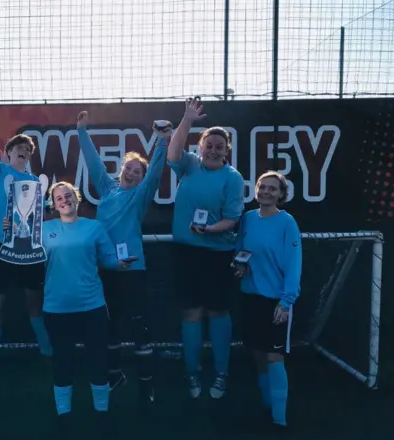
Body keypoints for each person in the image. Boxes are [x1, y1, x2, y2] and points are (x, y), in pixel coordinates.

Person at [76, 110, 170, 404]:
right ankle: (114, 374)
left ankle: (147, 383)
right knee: (110, 326)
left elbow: (156, 171)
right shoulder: (107, 188)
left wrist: (164, 142)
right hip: (104, 270)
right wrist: (81, 130)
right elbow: (92, 163)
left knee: (140, 327)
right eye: (129, 168)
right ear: (121, 170)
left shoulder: (140, 195)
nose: (132, 173)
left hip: (132, 271)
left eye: (137, 171)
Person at [0, 75, 52, 400]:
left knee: (36, 308)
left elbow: (41, 220)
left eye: (26, 150)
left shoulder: (37, 183)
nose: (22, 152)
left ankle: (51, 359)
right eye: (17, 148)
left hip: (30, 253)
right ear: (6, 154)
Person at [41, 182, 136, 434]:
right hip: (56, 308)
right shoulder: (42, 230)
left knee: (98, 360)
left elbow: (107, 260)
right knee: (62, 362)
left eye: (68, 195)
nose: (64, 200)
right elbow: (24, 255)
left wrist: (120, 263)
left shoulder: (93, 228)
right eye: (59, 197)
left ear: (77, 198)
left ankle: (102, 413)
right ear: (53, 204)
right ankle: (64, 415)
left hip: (91, 306)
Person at [167, 98, 245, 399]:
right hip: (187, 254)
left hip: (217, 255)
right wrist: (186, 120)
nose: (213, 149)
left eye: (219, 146)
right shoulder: (189, 166)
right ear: (200, 147)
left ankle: (222, 374)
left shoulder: (233, 178)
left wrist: (210, 230)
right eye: (208, 145)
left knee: (218, 312)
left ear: (227, 150)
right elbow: (172, 152)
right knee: (191, 314)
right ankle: (192, 373)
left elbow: (232, 218)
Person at [234, 171, 302, 430]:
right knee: (259, 356)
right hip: (250, 298)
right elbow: (239, 252)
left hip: (276, 302)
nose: (266, 192)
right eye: (262, 187)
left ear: (281, 195)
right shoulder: (248, 219)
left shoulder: (288, 223)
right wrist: (239, 267)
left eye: (273, 189)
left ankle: (279, 420)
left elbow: (294, 266)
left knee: (275, 358)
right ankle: (267, 407)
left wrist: (286, 302)